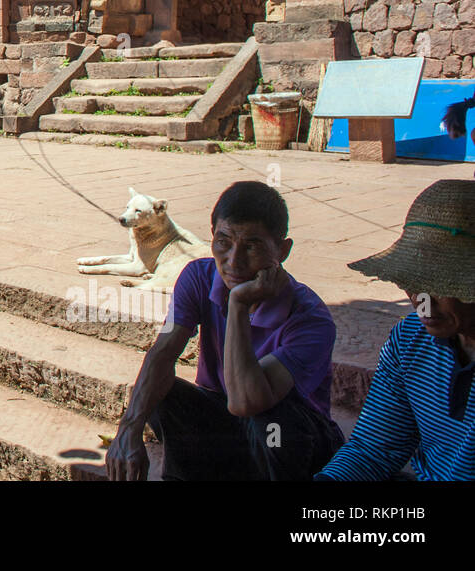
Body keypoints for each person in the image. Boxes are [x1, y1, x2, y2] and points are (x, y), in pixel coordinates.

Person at [106, 180, 343, 480]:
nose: (234, 261)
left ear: (282, 250)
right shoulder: (198, 277)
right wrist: (129, 430)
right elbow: (163, 353)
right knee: (160, 393)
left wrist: (238, 305)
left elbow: (248, 401)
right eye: (224, 241)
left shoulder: (311, 319)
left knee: (268, 420)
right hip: (228, 421)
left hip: (293, 437)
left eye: (252, 245)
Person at [316, 179, 475, 480]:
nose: (421, 303)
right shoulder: (409, 339)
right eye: (411, 284)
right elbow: (373, 449)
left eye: (436, 287)